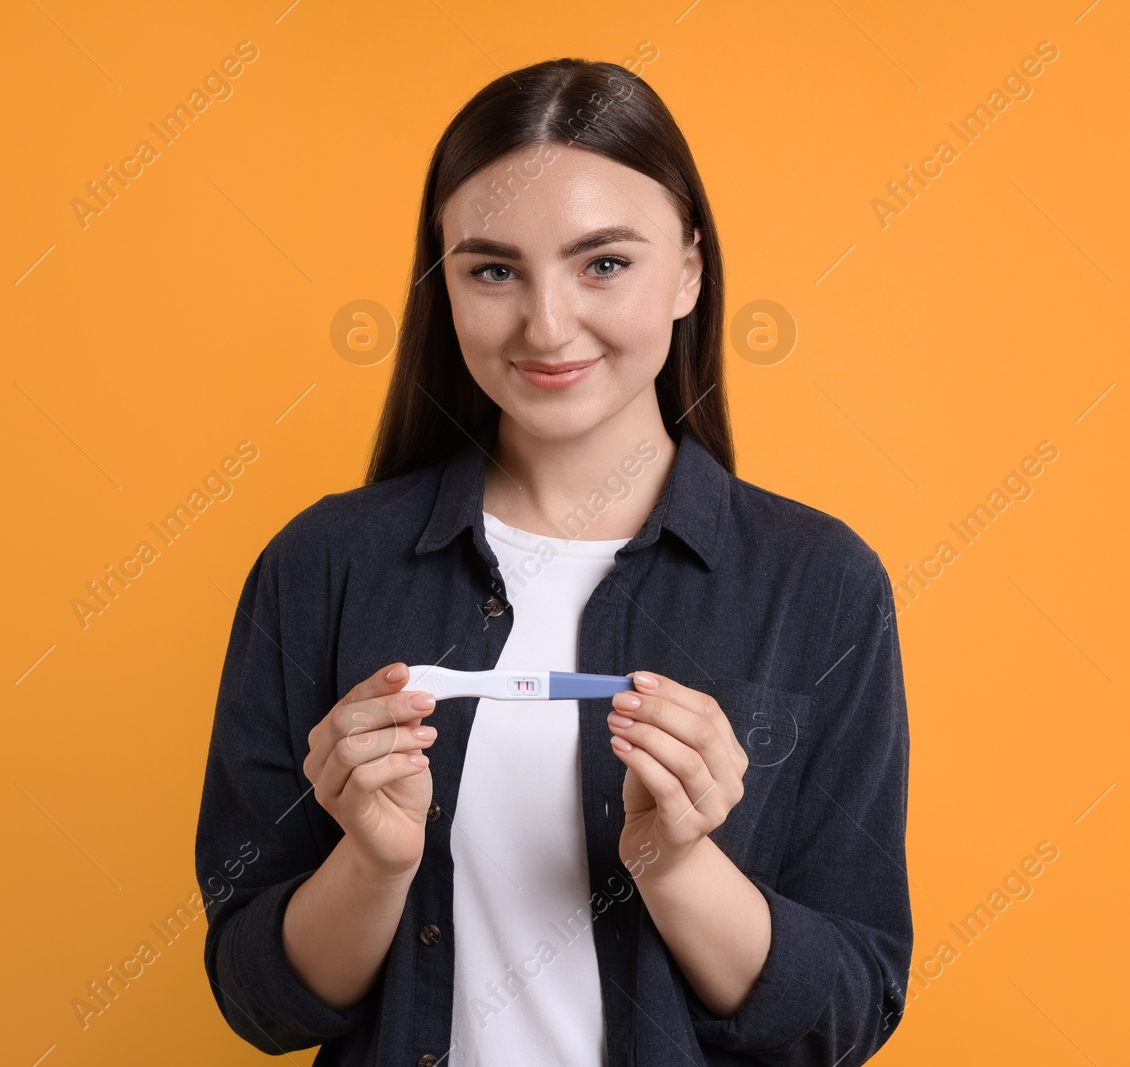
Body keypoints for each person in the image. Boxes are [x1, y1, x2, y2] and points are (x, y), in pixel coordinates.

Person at [194, 57, 912, 1066]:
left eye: (604, 263)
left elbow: (846, 1011)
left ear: (689, 271)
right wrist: (373, 859)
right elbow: (259, 1000)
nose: (546, 324)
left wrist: (677, 863)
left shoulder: (821, 585)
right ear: (442, 281)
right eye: (492, 269)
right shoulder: (320, 565)